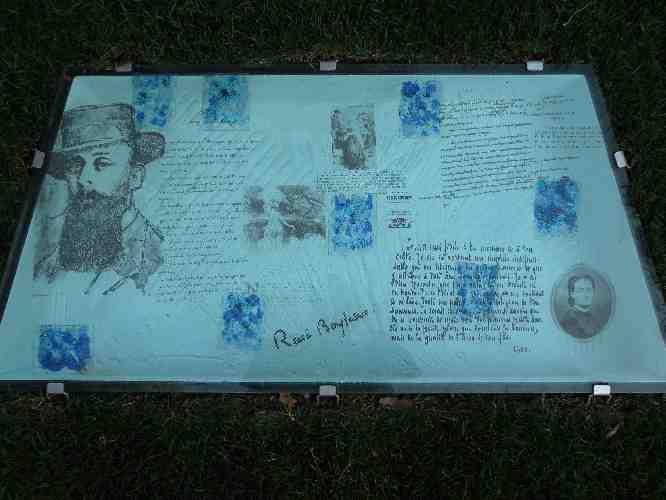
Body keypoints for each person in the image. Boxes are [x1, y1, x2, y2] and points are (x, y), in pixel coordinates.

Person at [33, 103, 165, 295]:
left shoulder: (152, 253)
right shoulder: (49, 260)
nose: (83, 178)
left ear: (135, 176)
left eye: (101, 163)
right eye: (75, 165)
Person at [560, 274, 602, 338]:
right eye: (581, 290)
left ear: (593, 293)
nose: (586, 295)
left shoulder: (595, 321)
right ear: (572, 294)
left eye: (589, 290)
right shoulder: (568, 320)